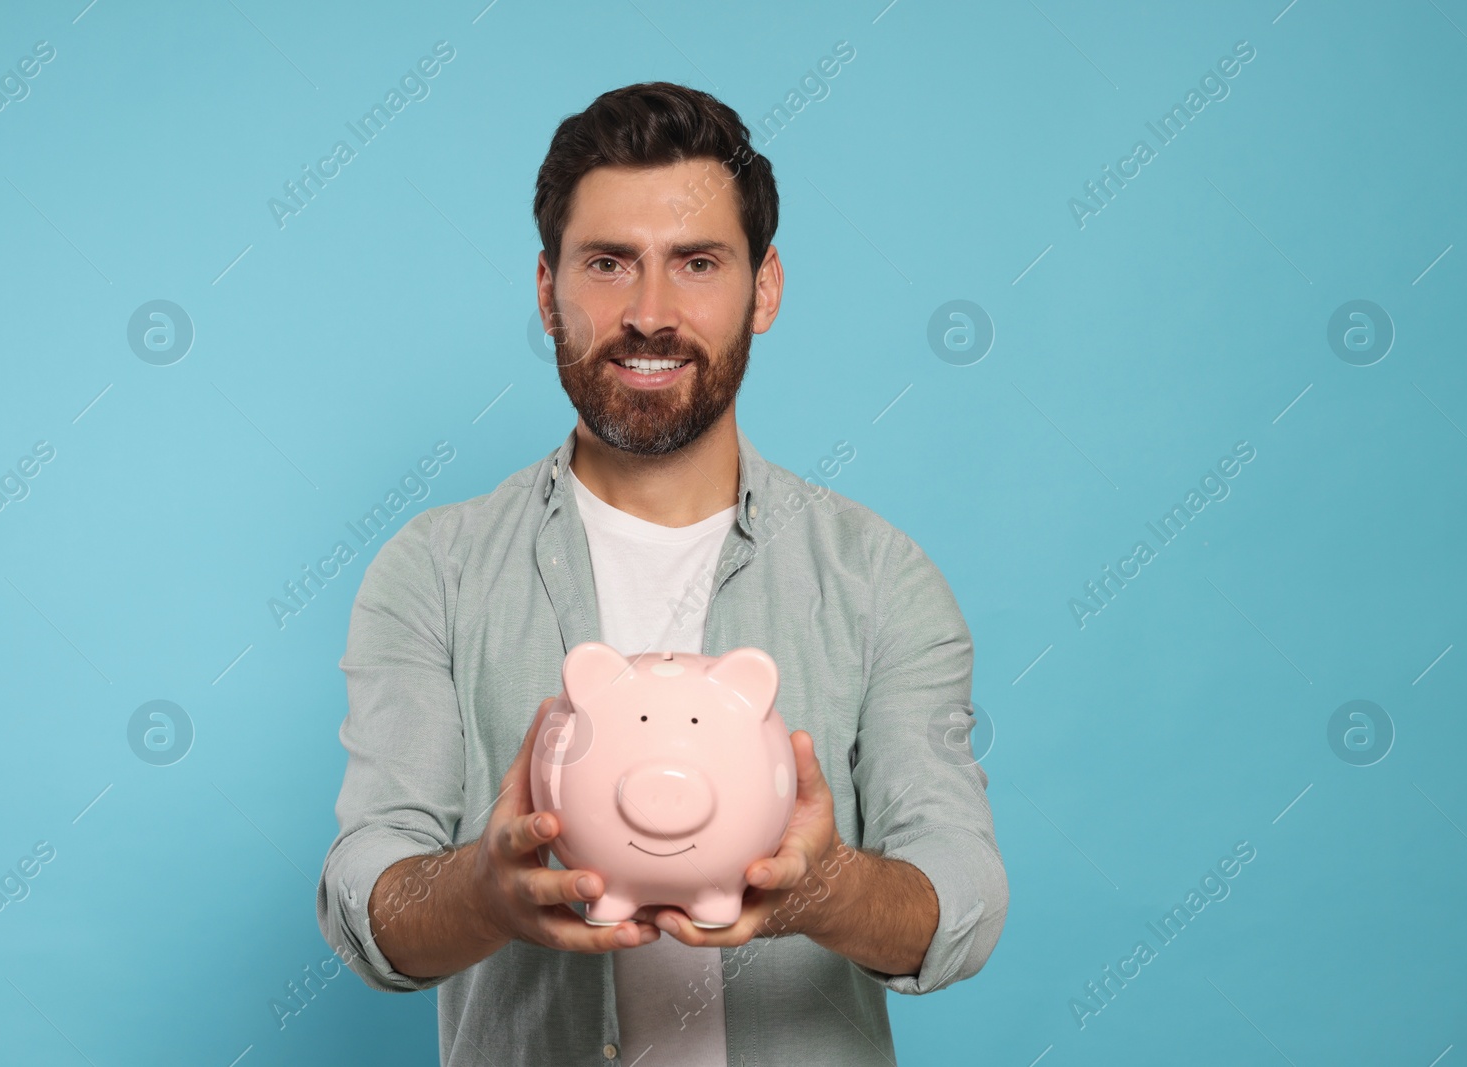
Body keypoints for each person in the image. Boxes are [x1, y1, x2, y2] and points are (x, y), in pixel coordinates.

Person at [316, 80, 1008, 1066]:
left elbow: (965, 894)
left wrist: (829, 888)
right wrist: (481, 890)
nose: (649, 313)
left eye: (695, 263)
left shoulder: (878, 578)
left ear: (762, 288)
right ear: (547, 288)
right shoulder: (433, 571)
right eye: (607, 263)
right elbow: (363, 891)